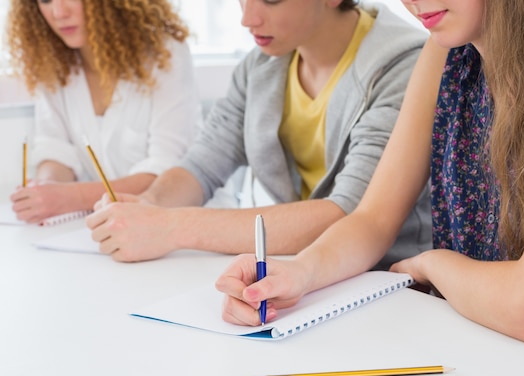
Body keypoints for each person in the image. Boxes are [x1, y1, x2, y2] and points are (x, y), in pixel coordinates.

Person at [215, 0, 524, 348]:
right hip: (486, 347)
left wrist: (433, 266)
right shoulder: (445, 51)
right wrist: (299, 273)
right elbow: (373, 219)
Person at [86, 0, 433, 268]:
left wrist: (171, 226)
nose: (247, 18)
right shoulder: (261, 65)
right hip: (308, 274)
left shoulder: (403, 66)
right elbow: (202, 163)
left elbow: (348, 214)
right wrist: (148, 205)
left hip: (390, 280)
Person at [7, 0, 199, 224]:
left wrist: (68, 198)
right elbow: (55, 149)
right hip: (107, 228)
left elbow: (168, 175)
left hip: (179, 226)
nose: (59, 12)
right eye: (46, 0)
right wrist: (45, 188)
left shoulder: (165, 53)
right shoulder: (53, 62)